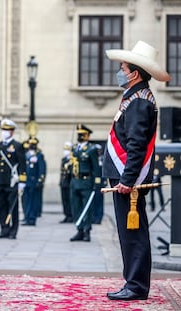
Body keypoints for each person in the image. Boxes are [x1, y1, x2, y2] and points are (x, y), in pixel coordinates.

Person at [103, 41, 170, 300]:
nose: (119, 72)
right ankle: (132, 282)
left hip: (127, 179)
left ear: (134, 73)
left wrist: (127, 179)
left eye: (122, 68)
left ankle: (136, 286)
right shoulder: (133, 97)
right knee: (129, 232)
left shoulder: (140, 102)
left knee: (133, 233)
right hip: (123, 176)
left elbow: (136, 144)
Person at [0, 119, 26, 240]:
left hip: (12, 181)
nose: (4, 132)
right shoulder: (0, 145)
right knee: (1, 205)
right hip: (1, 180)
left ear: (12, 132)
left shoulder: (18, 146)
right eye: (3, 130)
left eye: (7, 130)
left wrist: (22, 181)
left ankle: (13, 230)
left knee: (13, 206)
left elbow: (22, 164)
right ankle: (4, 228)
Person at [69, 124, 101, 242]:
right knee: (76, 207)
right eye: (79, 134)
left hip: (86, 181)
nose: (80, 136)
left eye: (83, 134)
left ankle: (87, 230)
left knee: (86, 208)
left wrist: (97, 182)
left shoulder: (91, 149)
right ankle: (79, 229)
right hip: (75, 181)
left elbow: (96, 167)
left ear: (88, 136)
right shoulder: (74, 148)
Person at [22, 137, 45, 226]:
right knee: (26, 200)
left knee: (33, 201)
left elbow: (41, 168)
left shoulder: (39, 155)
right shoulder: (26, 155)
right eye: (31, 144)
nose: (32, 146)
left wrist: (40, 180)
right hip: (26, 181)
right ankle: (27, 217)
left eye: (33, 144)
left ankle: (32, 218)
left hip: (33, 181)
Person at [59, 141, 73, 223]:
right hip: (63, 183)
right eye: (65, 149)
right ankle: (66, 215)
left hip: (69, 183)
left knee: (70, 200)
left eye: (67, 149)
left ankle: (71, 215)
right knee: (64, 200)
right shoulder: (64, 160)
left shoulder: (72, 160)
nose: (65, 151)